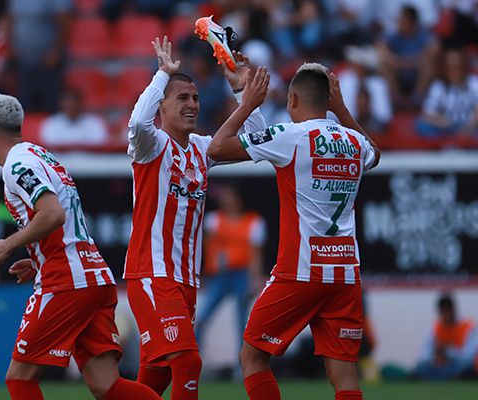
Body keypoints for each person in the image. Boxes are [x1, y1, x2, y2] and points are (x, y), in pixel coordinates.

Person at [207, 63, 380, 400]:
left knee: (253, 357)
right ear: (329, 101)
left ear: (295, 99)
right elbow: (375, 153)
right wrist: (341, 110)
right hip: (345, 274)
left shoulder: (291, 136)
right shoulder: (355, 142)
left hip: (299, 272)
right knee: (344, 374)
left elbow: (216, 148)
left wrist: (246, 104)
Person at [0, 93, 161, 400]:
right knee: (106, 385)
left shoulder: (16, 165)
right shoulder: (40, 155)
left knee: (20, 379)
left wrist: (10, 243)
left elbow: (53, 214)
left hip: (67, 281)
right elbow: (65, 219)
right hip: (94, 276)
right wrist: (37, 259)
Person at [124, 36, 266, 399]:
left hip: (186, 281)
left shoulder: (204, 149)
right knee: (188, 362)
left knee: (155, 379)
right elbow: (138, 122)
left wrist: (239, 89)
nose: (191, 105)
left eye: (196, 98)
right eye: (182, 99)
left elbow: (259, 142)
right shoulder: (151, 145)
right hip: (152, 275)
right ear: (163, 106)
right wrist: (161, 76)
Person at [196, 184, 266, 358]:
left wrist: (254, 280)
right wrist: (203, 273)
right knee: (202, 318)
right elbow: (205, 248)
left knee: (242, 323)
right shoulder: (214, 219)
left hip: (241, 275)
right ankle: (194, 361)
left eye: (230, 196)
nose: (226, 200)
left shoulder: (253, 221)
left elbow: (255, 254)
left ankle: (243, 364)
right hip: (219, 276)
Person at [376, 5, 439, 107]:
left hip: (417, 75)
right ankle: (397, 100)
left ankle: (417, 98)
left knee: (430, 66)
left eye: (402, 21)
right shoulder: (394, 33)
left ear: (412, 22)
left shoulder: (422, 33)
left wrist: (409, 62)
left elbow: (434, 49)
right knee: (383, 65)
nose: (399, 23)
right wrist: (404, 63)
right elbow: (381, 50)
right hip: (399, 75)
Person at [415, 48, 478, 137]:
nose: (453, 71)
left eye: (456, 66)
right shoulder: (438, 85)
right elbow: (427, 113)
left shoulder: (474, 82)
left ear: (463, 67)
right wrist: (445, 122)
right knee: (421, 125)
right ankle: (442, 146)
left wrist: (468, 128)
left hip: (471, 126)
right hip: (446, 127)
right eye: (449, 67)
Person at [415, 293, 478, 380]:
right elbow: (424, 355)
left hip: (460, 367)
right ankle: (443, 377)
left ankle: (439, 378)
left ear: (453, 310)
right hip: (441, 367)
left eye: (448, 310)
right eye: (443, 311)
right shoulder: (435, 328)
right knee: (420, 366)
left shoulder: (469, 327)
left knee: (466, 367)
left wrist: (447, 351)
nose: (446, 314)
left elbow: (469, 357)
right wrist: (435, 359)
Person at [40, 87, 111, 148]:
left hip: (90, 161)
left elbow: (100, 144)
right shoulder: (52, 122)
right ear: (61, 105)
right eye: (68, 104)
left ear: (81, 104)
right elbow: (50, 144)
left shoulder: (94, 122)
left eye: (74, 104)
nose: (71, 107)